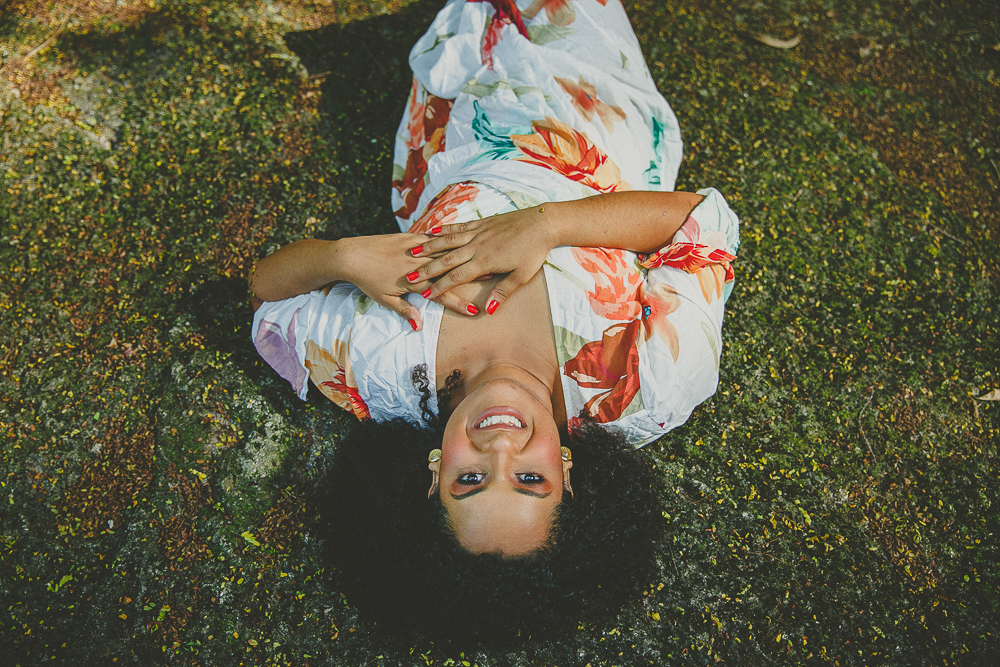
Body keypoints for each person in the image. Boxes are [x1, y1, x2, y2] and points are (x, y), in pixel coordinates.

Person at [249, 0, 739, 640]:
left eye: (470, 480)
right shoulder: (648, 385)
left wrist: (344, 258)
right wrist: (548, 224)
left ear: (430, 475)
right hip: (594, 107)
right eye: (530, 480)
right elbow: (704, 225)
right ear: (568, 474)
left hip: (456, 127)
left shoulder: (381, 367)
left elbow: (265, 297)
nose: (500, 446)